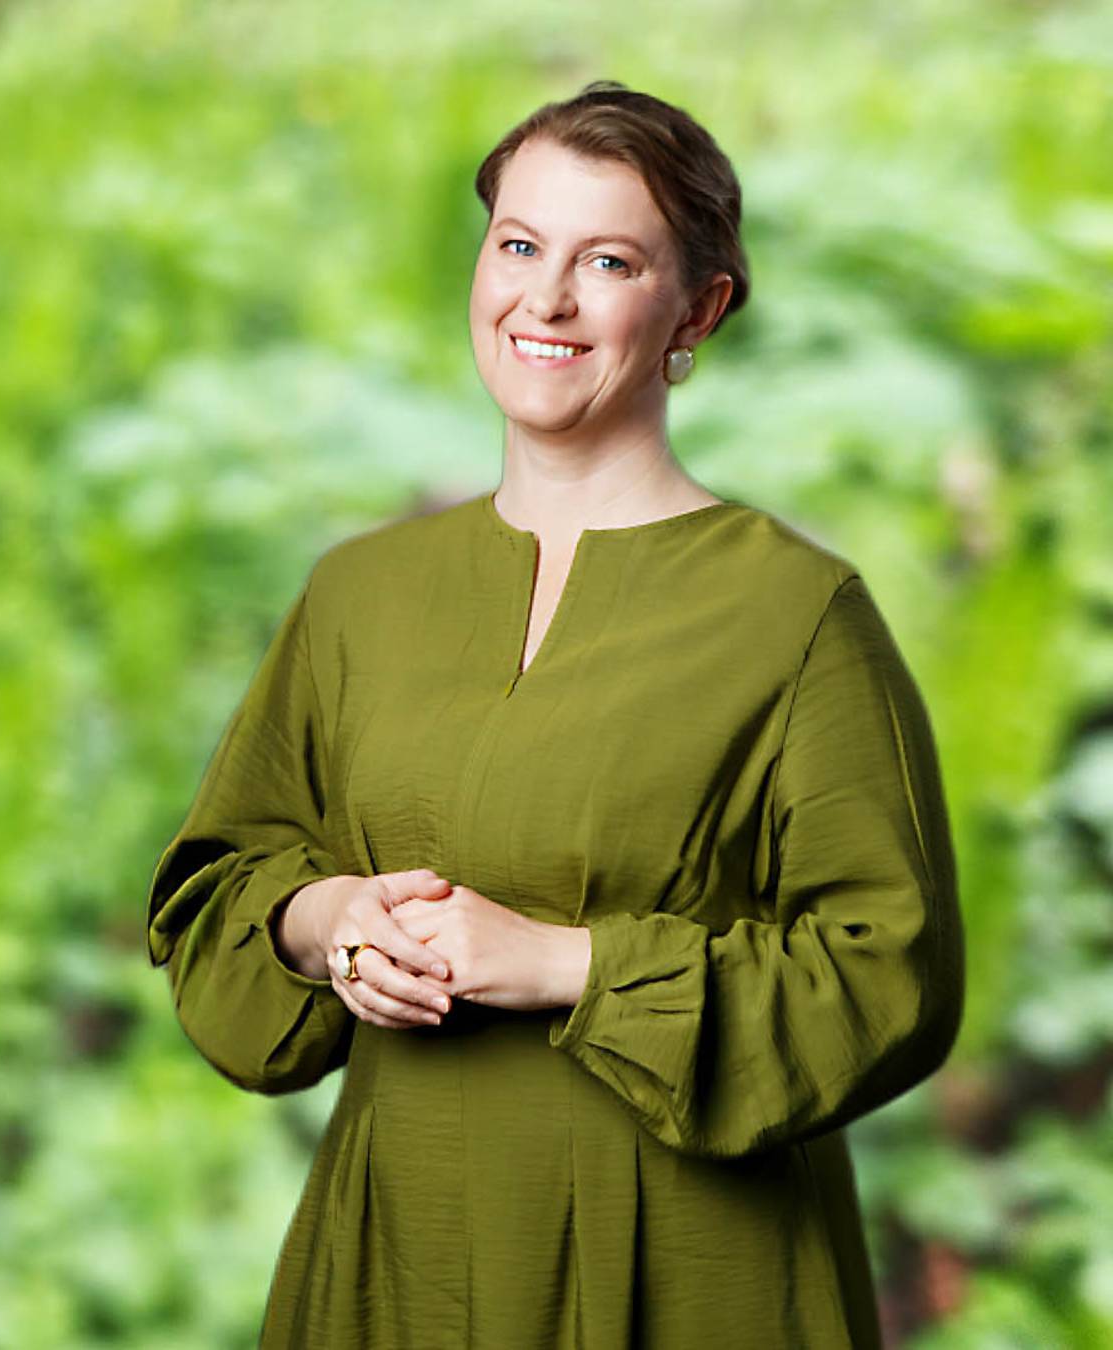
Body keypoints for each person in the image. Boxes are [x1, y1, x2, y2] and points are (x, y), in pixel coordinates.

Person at [144, 80, 964, 1349]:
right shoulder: (362, 594)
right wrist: (330, 921)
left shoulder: (797, 615)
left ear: (699, 309)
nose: (547, 299)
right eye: (520, 244)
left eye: (610, 261)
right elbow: (225, 884)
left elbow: (888, 972)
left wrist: (561, 963)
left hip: (693, 1269)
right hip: (398, 1249)